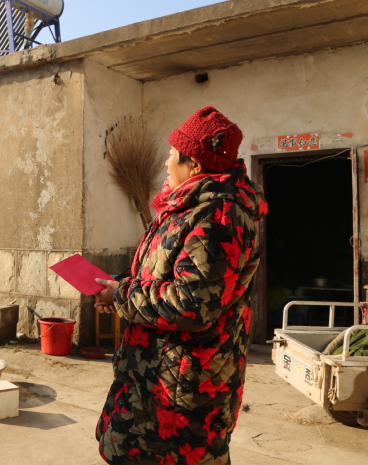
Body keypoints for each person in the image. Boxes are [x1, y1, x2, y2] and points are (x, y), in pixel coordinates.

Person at [93, 105, 267, 465]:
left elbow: (191, 304)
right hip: (154, 373)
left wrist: (122, 295)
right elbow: (163, 277)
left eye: (172, 154)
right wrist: (121, 287)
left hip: (184, 387)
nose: (166, 162)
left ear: (194, 165)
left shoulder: (219, 216)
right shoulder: (187, 208)